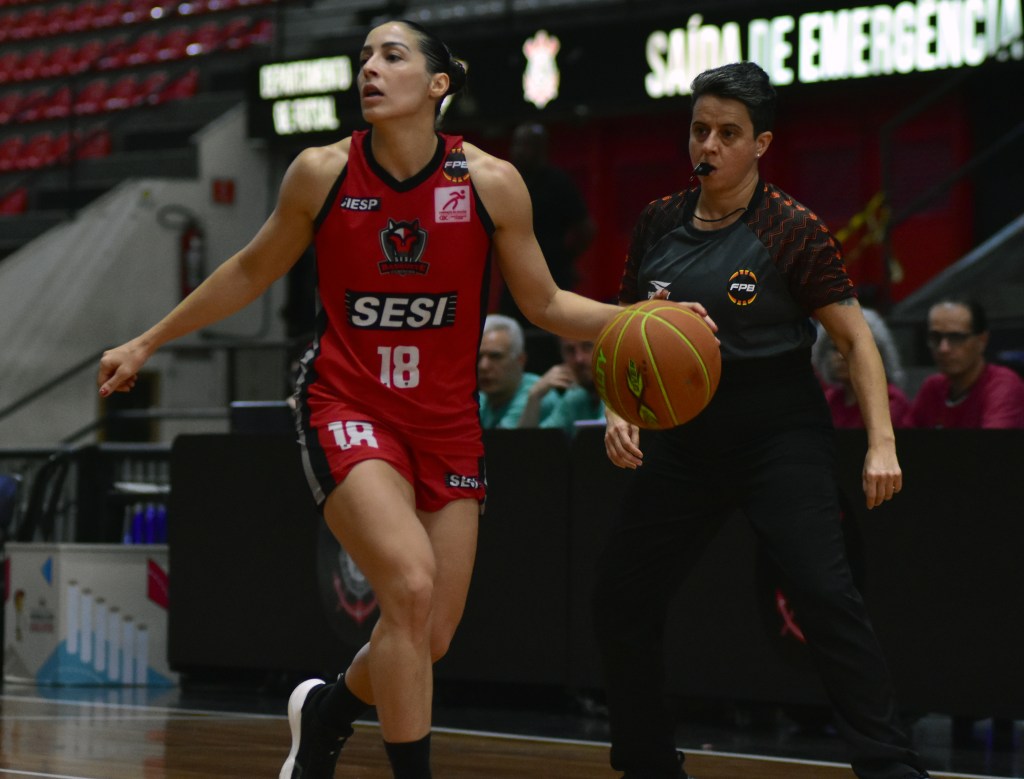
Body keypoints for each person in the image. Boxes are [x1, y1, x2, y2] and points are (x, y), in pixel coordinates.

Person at [96, 19, 620, 779]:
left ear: (438, 84)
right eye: (364, 56)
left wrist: (638, 318)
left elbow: (543, 303)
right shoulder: (322, 171)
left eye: (391, 56)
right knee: (408, 584)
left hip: (447, 422)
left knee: (428, 635)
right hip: (348, 405)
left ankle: (328, 711)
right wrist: (148, 340)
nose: (369, 68)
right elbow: (249, 270)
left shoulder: (489, 181)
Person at [592, 62, 930, 779]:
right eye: (699, 129)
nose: (708, 145)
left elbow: (855, 340)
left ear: (761, 143)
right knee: (621, 593)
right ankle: (646, 758)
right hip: (684, 432)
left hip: (777, 426)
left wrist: (882, 443)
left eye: (727, 133)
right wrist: (618, 406)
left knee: (824, 593)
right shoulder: (658, 221)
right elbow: (625, 329)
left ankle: (889, 764)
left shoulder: (791, 228)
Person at [498, 122, 596, 322]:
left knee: (553, 326)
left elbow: (586, 228)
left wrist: (565, 257)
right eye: (516, 144)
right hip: (514, 275)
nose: (518, 150)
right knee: (511, 327)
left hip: (552, 273)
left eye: (525, 145)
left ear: (540, 149)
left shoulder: (558, 182)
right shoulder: (507, 181)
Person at [909, 298, 1024, 428]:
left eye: (956, 337)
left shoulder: (1003, 386)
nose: (943, 348)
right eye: (935, 337)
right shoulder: (932, 388)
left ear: (982, 340)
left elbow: (994, 441)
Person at [812, 308, 912, 428]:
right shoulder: (830, 400)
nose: (841, 356)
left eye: (851, 347)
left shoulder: (890, 401)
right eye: (835, 348)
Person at [477, 313, 558, 429]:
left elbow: (505, 440)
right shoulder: (482, 399)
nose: (483, 366)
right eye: (478, 357)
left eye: (495, 356)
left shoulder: (539, 395)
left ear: (520, 360)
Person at [518, 336, 605, 434]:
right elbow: (532, 441)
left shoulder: (617, 393)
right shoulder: (575, 397)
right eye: (570, 350)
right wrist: (534, 396)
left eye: (587, 346)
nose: (579, 359)